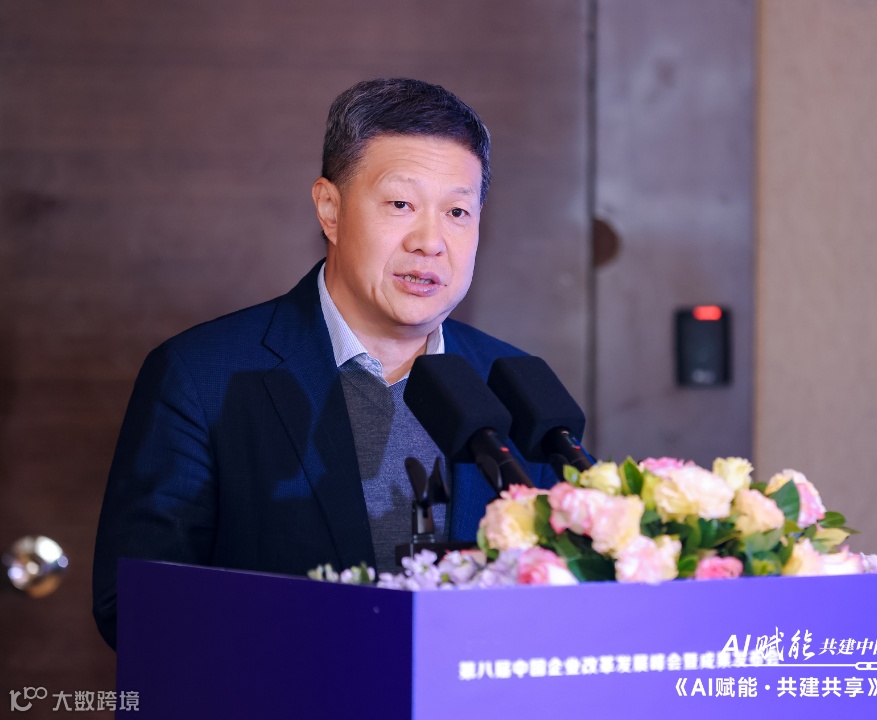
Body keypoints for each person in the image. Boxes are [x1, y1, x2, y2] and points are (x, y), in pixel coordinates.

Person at [92, 78, 558, 650]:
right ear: (330, 210)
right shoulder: (199, 377)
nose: (430, 241)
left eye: (458, 211)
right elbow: (135, 608)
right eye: (401, 204)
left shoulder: (516, 387)